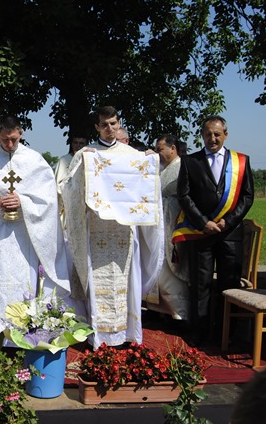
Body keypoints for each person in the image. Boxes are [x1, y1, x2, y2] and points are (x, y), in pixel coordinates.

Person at [0, 115, 71, 346]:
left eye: (13, 139)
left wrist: (23, 201)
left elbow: (49, 200)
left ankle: (22, 336)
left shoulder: (34, 161)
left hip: (24, 234)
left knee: (24, 283)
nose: (9, 144)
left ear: (21, 133)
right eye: (4, 140)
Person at [62, 106, 164, 349]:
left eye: (114, 123)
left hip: (124, 231)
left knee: (124, 281)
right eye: (105, 124)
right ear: (97, 127)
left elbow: (145, 186)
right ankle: (98, 334)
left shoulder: (132, 154)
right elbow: (69, 189)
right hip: (96, 229)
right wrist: (81, 167)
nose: (110, 128)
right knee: (97, 281)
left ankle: (125, 333)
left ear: (119, 124)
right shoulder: (88, 154)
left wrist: (150, 160)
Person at [174, 115, 254, 346]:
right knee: (201, 285)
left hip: (230, 234)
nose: (213, 138)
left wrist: (228, 221)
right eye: (208, 134)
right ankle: (200, 334)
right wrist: (203, 222)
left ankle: (228, 334)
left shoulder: (241, 161)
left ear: (225, 135)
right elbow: (184, 195)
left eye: (217, 134)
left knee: (229, 284)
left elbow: (247, 196)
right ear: (202, 136)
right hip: (202, 233)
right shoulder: (190, 161)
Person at [144, 134, 189, 320]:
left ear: (173, 148)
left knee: (172, 276)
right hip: (160, 229)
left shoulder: (182, 168)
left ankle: (181, 315)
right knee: (160, 273)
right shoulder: (162, 170)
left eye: (160, 149)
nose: (157, 153)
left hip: (174, 228)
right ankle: (162, 312)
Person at [54, 135, 89, 227]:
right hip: (68, 203)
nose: (78, 146)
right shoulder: (64, 160)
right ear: (72, 144)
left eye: (81, 143)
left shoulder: (90, 160)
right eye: (75, 143)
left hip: (85, 203)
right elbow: (58, 184)